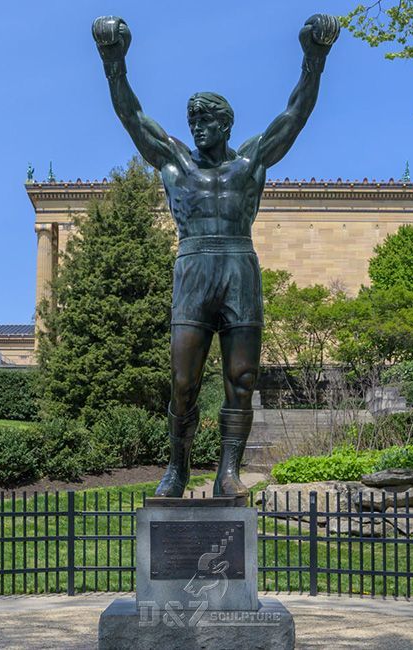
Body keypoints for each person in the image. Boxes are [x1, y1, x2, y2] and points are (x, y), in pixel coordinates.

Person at [92, 14, 340, 497]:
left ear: (226, 124)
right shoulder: (173, 161)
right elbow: (132, 116)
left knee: (241, 377)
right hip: (194, 267)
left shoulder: (250, 162)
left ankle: (229, 472)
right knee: (183, 380)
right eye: (193, 120)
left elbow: (294, 115)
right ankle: (177, 468)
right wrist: (113, 62)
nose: (198, 127)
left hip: (238, 267)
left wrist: (314, 58)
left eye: (207, 120)